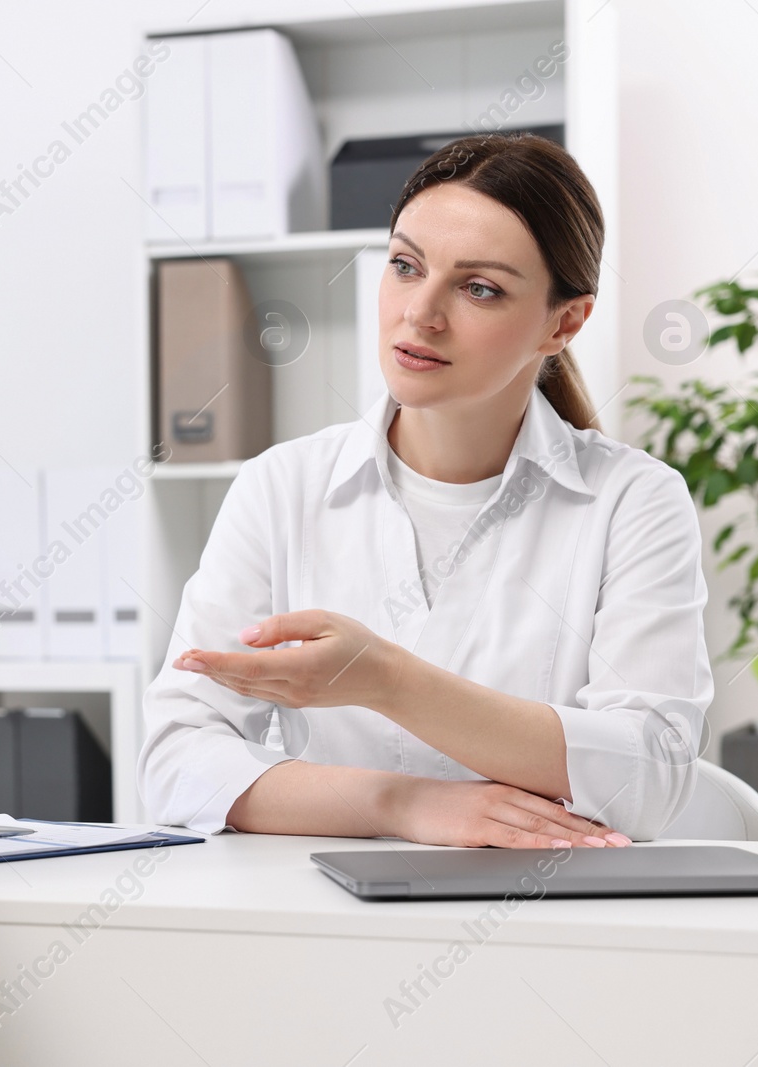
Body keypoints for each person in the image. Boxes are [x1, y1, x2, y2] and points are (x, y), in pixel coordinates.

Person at [139, 132, 712, 849]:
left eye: (479, 288)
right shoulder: (280, 488)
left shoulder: (634, 500)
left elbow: (648, 777)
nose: (421, 312)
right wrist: (402, 804)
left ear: (564, 322)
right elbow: (175, 758)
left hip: (552, 920)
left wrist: (388, 680)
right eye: (406, 266)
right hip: (316, 915)